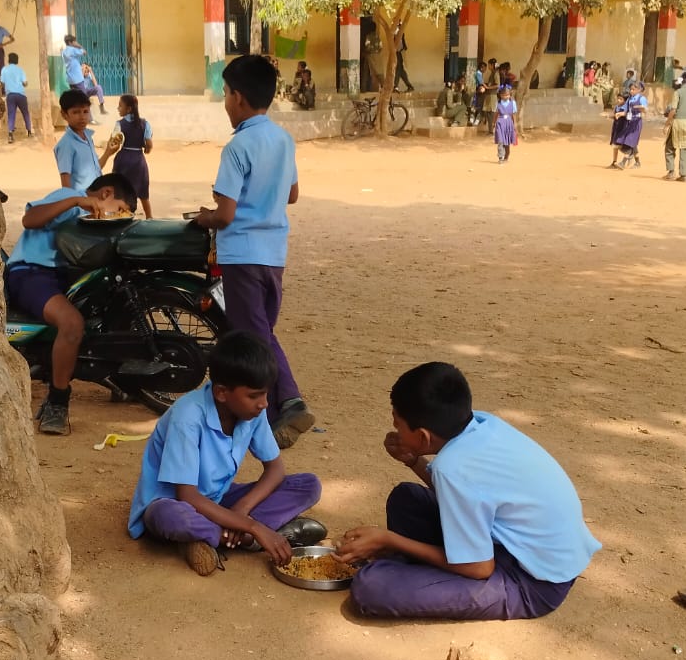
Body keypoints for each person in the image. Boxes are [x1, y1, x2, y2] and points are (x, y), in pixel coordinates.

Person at [335, 361, 600, 620]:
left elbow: (478, 568)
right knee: (406, 499)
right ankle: (414, 570)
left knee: (371, 587)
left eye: (398, 425)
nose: (395, 431)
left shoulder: (452, 467)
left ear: (423, 436)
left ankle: (407, 572)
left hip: (532, 583)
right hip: (517, 547)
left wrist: (390, 540)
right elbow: (470, 494)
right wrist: (414, 461)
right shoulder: (483, 424)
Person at [193, 54, 316, 450]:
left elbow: (226, 214)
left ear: (239, 98)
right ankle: (264, 407)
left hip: (242, 254)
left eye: (225, 94)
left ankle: (289, 401)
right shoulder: (283, 139)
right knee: (259, 331)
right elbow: (292, 194)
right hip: (274, 253)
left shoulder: (237, 146)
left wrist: (206, 217)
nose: (225, 102)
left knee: (255, 337)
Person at [127, 331, 324, 577]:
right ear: (221, 393)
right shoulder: (187, 417)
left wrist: (241, 510)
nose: (263, 403)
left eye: (265, 393)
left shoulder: (252, 411)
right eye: (254, 395)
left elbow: (275, 470)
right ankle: (244, 537)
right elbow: (187, 496)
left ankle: (210, 538)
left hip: (218, 499)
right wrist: (252, 526)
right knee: (172, 517)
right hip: (175, 502)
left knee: (308, 485)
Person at [3, 174, 132, 435]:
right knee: (72, 323)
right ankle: (57, 401)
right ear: (106, 194)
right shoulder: (70, 197)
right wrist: (75, 201)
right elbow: (30, 220)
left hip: (60, 275)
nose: (119, 215)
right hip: (30, 272)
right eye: (120, 209)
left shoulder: (88, 213)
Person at [54, 88, 116, 196]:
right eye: (76, 112)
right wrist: (73, 204)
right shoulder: (66, 145)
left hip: (95, 199)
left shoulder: (87, 137)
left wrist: (108, 152)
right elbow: (65, 185)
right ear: (64, 114)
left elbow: (95, 169)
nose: (82, 117)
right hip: (81, 202)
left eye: (85, 111)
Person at [101, 93, 153, 218]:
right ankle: (149, 217)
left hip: (123, 159)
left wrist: (111, 149)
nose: (118, 108)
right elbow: (149, 144)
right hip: (139, 160)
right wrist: (147, 149)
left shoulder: (119, 124)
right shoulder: (145, 124)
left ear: (128, 109)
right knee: (143, 193)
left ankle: (123, 215)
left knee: (121, 191)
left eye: (120, 106)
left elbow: (114, 142)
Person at [663, 75, 686, 180]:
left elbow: (673, 110)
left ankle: (671, 172)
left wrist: (667, 124)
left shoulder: (677, 93)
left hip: (678, 123)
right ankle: (684, 174)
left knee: (669, 147)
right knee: (685, 148)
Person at [610, 79, 645, 169]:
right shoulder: (630, 99)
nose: (631, 91)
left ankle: (623, 162)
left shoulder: (642, 98)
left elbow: (645, 110)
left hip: (636, 123)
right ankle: (637, 162)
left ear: (638, 90)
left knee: (629, 141)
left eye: (633, 89)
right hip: (630, 122)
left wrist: (640, 108)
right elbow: (627, 112)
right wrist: (619, 114)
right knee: (629, 142)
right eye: (631, 89)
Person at [0, 53, 32, 143]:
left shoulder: (4, 69)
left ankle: (10, 134)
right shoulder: (20, 70)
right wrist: (25, 83)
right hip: (21, 95)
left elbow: (2, 82)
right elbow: (25, 83)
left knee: (11, 114)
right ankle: (29, 131)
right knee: (25, 113)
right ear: (17, 60)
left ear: (9, 60)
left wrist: (8, 86)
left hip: (10, 95)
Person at [493, 83, 518, 163]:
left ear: (510, 95)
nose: (505, 97)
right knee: (500, 140)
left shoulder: (513, 103)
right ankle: (500, 157)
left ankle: (506, 157)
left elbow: (513, 114)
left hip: (508, 123)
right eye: (503, 95)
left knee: (507, 142)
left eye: (507, 95)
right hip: (500, 123)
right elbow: (496, 114)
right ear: (500, 95)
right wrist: (494, 123)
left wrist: (515, 124)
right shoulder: (498, 103)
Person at [392, 22, 413, 92]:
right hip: (399, 52)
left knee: (398, 69)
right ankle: (409, 86)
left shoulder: (397, 31)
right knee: (401, 70)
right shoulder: (399, 30)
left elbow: (399, 43)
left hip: (399, 52)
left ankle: (395, 86)